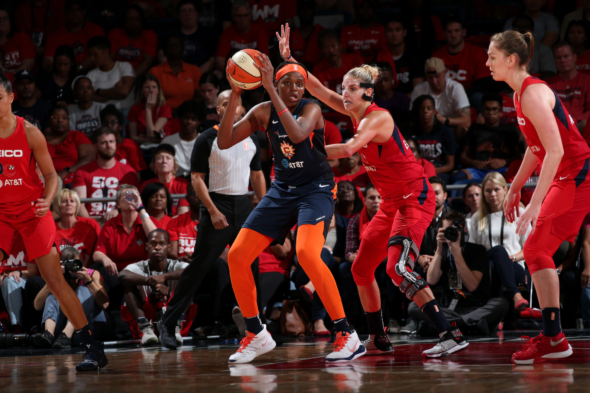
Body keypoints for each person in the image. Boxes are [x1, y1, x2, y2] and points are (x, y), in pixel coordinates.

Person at [278, 25, 468, 358]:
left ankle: (450, 334)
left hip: (415, 198)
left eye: (351, 88)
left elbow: (350, 149)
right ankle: (378, 337)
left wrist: (304, 145)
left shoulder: (377, 118)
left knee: (397, 269)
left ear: (368, 92)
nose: (344, 93)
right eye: (344, 88)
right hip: (392, 203)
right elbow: (319, 89)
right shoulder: (355, 112)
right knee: (361, 269)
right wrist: (292, 62)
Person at [215, 50, 366, 362]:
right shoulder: (260, 111)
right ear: (277, 84)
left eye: (301, 83)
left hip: (316, 190)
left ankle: (346, 334)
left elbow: (297, 135)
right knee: (238, 255)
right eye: (289, 83)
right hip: (282, 190)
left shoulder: (312, 109)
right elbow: (225, 141)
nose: (297, 88)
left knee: (307, 254)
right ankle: (256, 333)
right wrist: (235, 93)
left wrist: (270, 86)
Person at [487, 29, 590, 363]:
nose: (487, 62)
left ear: (511, 59)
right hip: (568, 175)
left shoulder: (531, 93)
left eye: (492, 56)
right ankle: (553, 336)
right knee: (537, 249)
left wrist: (534, 202)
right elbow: (536, 148)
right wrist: (515, 186)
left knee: (535, 247)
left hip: (576, 174)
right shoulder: (519, 95)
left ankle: (554, 337)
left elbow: (557, 150)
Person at [0, 74, 107, 371]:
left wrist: (48, 200)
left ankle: (93, 348)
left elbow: (52, 176)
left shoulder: (30, 132)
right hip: (1, 215)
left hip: (33, 211)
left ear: (10, 99)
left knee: (55, 282)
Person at [156, 88, 266, 352]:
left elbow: (258, 176)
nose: (230, 107)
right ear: (218, 110)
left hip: (243, 205)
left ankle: (256, 327)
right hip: (217, 203)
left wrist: (264, 207)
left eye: (235, 103)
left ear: (242, 109)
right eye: (224, 104)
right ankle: (168, 323)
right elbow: (196, 179)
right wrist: (213, 211)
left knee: (251, 265)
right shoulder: (207, 138)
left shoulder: (252, 138)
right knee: (199, 267)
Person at [409, 210, 509, 336]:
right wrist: (439, 249)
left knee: (501, 303)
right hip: (448, 308)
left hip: (475, 308)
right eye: (446, 230)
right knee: (414, 305)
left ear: (463, 229)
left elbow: (471, 285)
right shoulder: (442, 251)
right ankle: (466, 326)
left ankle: (444, 326)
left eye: (453, 230)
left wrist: (456, 253)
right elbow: (431, 280)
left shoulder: (477, 250)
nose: (450, 234)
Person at [118, 229, 192, 346]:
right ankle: (144, 327)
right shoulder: (140, 266)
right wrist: (151, 282)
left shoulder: (175, 264)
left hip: (172, 313)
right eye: (153, 243)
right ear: (146, 246)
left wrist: (164, 277)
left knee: (186, 281)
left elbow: (193, 271)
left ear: (168, 247)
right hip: (148, 318)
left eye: (161, 244)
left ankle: (175, 326)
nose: (157, 247)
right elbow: (122, 275)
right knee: (129, 283)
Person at [469, 172, 530, 312]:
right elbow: (475, 252)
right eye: (488, 190)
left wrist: (513, 258)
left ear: (505, 189)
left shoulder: (519, 213)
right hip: (486, 265)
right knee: (498, 251)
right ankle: (515, 295)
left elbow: (529, 248)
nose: (493, 194)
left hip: (515, 266)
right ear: (483, 193)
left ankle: (496, 314)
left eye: (496, 189)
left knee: (498, 261)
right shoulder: (476, 218)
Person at [33, 247, 110, 349]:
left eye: (75, 263)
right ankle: (48, 334)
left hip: (88, 325)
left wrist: (88, 281)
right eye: (68, 265)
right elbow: (37, 306)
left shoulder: (92, 274)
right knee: (53, 296)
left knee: (83, 290)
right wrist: (53, 278)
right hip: (60, 331)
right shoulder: (57, 276)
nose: (72, 268)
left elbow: (105, 304)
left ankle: (67, 334)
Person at [72, 127, 139, 219]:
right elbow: (79, 205)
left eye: (111, 142)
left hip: (119, 220)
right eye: (104, 143)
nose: (109, 146)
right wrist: (92, 225)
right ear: (95, 146)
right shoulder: (82, 171)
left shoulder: (128, 172)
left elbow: (132, 202)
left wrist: (118, 211)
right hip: (91, 220)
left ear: (116, 143)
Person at [93, 184, 157, 277]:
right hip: (117, 272)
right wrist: (105, 259)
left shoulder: (148, 221)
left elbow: (155, 240)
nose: (130, 198)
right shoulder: (110, 225)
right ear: (118, 204)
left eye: (134, 195)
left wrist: (141, 208)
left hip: (144, 271)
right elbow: (97, 253)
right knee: (94, 271)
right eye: (126, 195)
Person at [458, 93, 521, 181]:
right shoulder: (475, 129)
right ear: (482, 112)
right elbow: (462, 157)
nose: (491, 113)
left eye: (494, 109)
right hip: (478, 171)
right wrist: (474, 162)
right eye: (487, 109)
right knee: (459, 176)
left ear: (501, 112)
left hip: (503, 170)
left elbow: (519, 156)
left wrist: (504, 161)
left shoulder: (509, 129)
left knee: (513, 174)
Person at [410, 58, 471, 142]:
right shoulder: (419, 89)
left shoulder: (455, 88)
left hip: (450, 128)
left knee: (461, 130)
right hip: (425, 129)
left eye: (437, 76)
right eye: (430, 77)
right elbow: (412, 117)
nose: (434, 81)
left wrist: (444, 120)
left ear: (445, 72)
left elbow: (467, 121)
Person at [42, 0, 105, 73]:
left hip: (92, 74)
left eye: (79, 9)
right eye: (71, 10)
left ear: (84, 12)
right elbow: (47, 60)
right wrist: (58, 71)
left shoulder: (96, 30)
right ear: (65, 12)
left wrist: (77, 69)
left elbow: (98, 56)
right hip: (62, 75)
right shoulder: (54, 35)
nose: (75, 13)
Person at [432, 16, 491, 93]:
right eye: (449, 32)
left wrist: (460, 96)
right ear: (444, 34)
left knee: (478, 97)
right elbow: (433, 83)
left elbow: (483, 84)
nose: (453, 35)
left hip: (470, 94)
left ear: (464, 32)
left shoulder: (478, 53)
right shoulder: (436, 56)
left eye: (457, 31)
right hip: (444, 95)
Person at [409, 95, 456, 182]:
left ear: (434, 112)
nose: (425, 111)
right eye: (421, 109)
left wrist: (430, 170)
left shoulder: (445, 131)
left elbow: (450, 164)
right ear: (417, 112)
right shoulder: (410, 132)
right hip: (415, 172)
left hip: (439, 172)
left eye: (429, 108)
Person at [214, 0, 269, 73]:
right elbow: (220, 61)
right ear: (233, 17)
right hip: (233, 73)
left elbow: (265, 60)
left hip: (255, 72)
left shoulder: (259, 31)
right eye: (239, 16)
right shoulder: (228, 32)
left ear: (250, 16)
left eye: (245, 15)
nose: (242, 19)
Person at [45, 105, 95, 184]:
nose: (60, 120)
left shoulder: (77, 136)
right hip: (47, 179)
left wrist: (67, 171)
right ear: (48, 121)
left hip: (71, 178)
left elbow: (89, 158)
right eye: (55, 117)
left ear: (68, 120)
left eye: (64, 117)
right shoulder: (41, 139)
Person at [150, 35, 202, 111]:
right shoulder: (155, 71)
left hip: (187, 115)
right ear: (164, 50)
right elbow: (151, 98)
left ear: (183, 49)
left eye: (177, 45)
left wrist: (185, 111)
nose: (173, 48)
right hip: (162, 115)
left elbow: (199, 97)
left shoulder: (194, 70)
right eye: (170, 45)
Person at [547, 42, 590, 131]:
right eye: (558, 58)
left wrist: (575, 121)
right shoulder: (547, 84)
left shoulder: (587, 80)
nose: (562, 60)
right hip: (556, 126)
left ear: (575, 57)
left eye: (566, 56)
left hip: (580, 124)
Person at [376, 17, 424, 95]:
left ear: (404, 32)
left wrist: (400, 101)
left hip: (409, 102)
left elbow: (418, 90)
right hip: (385, 103)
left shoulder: (415, 56)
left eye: (397, 30)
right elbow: (376, 89)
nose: (394, 34)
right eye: (390, 30)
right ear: (385, 34)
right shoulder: (379, 56)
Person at [86, 36, 136, 111]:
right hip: (102, 114)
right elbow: (88, 97)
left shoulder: (124, 66)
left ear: (106, 52)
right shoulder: (91, 74)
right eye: (90, 55)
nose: (92, 58)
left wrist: (99, 92)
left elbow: (125, 91)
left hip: (126, 112)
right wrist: (116, 91)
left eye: (95, 55)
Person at [140, 144, 190, 216]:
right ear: (154, 165)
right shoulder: (146, 185)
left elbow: (183, 213)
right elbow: (143, 211)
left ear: (174, 165)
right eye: (160, 158)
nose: (164, 161)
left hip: (176, 224)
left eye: (168, 158)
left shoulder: (183, 184)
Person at [0, 233, 37, 333]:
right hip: (5, 277)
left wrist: (19, 272)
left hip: (23, 279)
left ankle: (16, 325)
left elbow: (33, 271)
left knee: (9, 281)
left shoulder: (26, 240)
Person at [167, 0, 217, 72]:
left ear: (197, 14)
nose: (187, 14)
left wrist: (194, 75)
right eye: (183, 11)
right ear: (178, 15)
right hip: (175, 73)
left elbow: (212, 61)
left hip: (200, 73)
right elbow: (162, 55)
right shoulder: (172, 33)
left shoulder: (208, 34)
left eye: (191, 10)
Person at [54, 189, 101, 266]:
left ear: (77, 205)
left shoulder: (89, 226)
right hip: (57, 271)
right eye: (64, 201)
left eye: (72, 201)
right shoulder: (51, 229)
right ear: (58, 206)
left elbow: (89, 257)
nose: (69, 204)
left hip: (83, 270)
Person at [107, 5, 158, 76]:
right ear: (124, 21)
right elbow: (109, 59)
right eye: (129, 19)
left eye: (136, 19)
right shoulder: (115, 33)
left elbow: (148, 62)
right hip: (116, 74)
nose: (133, 22)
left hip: (139, 75)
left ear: (142, 21)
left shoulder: (149, 35)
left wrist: (130, 77)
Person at [313, 29, 363, 94]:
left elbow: (365, 88)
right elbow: (322, 97)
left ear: (340, 46)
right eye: (326, 47)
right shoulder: (318, 70)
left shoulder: (355, 61)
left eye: (334, 46)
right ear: (321, 50)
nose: (331, 50)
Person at [99, 105, 147, 173]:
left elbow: (137, 173)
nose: (109, 125)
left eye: (113, 122)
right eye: (106, 123)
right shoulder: (99, 146)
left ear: (120, 127)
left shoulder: (131, 146)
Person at [127, 74, 173, 144]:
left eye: (154, 87)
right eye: (147, 88)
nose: (151, 91)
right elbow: (133, 137)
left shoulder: (165, 108)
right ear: (141, 91)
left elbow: (152, 134)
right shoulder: (135, 108)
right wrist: (148, 108)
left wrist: (148, 109)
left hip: (162, 145)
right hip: (142, 145)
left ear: (158, 90)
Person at [162, 100, 203, 178]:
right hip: (174, 181)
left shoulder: (205, 141)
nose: (189, 122)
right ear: (180, 118)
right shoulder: (168, 142)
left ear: (199, 122)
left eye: (194, 119)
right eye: (186, 118)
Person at [512, 14, 556, 79]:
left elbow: (549, 74)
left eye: (524, 27)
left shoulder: (544, 50)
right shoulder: (504, 50)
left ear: (532, 30)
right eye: (517, 27)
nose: (520, 30)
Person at [167, 182, 200, 260]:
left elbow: (224, 254)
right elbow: (172, 253)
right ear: (187, 198)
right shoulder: (175, 222)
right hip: (182, 265)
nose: (199, 197)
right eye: (195, 193)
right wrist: (180, 259)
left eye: (202, 193)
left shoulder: (216, 222)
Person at [0, 7, 36, 74]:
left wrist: (9, 78)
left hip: (23, 77)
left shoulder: (21, 37)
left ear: (10, 22)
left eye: (5, 18)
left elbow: (28, 64)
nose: (1, 21)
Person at [290, 0, 323, 69]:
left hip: (318, 72)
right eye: (302, 9)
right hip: (296, 72)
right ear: (297, 12)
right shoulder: (291, 35)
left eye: (309, 9)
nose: (306, 12)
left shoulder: (322, 33)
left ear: (314, 11)